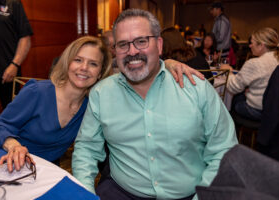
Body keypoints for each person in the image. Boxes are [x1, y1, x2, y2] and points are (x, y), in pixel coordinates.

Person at [72, 8, 237, 200]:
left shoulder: (195, 88)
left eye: (141, 41)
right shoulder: (102, 93)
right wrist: (84, 194)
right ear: (115, 50)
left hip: (189, 195)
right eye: (123, 44)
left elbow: (224, 151)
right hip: (121, 192)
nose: (132, 51)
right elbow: (86, 149)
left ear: (159, 45)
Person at [0, 36, 112, 172]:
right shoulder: (37, 92)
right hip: (11, 165)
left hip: (47, 171)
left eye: (93, 64)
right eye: (78, 60)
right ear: (67, 63)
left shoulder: (92, 106)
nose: (84, 68)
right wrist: (14, 146)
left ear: (100, 73)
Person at [0, 0, 33, 143]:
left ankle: (16, 150)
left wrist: (14, 64)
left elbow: (25, 38)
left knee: (15, 116)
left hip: (9, 72)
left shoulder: (13, 3)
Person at [221, 27, 279, 121]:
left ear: (261, 45)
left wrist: (229, 72)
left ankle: (231, 130)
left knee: (235, 99)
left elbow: (233, 87)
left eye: (252, 43)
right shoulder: (278, 59)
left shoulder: (254, 63)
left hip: (259, 111)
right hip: (276, 109)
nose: (250, 46)